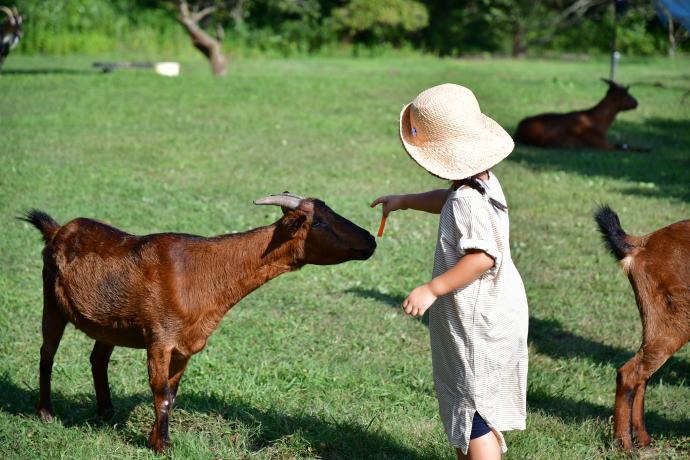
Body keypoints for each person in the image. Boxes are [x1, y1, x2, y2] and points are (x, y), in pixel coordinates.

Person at [371, 84, 528, 459]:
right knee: (472, 401)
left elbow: (481, 257)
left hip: (475, 319)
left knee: (471, 409)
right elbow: (449, 201)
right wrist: (406, 201)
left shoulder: (465, 199)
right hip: (499, 307)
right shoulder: (481, 183)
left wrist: (433, 288)